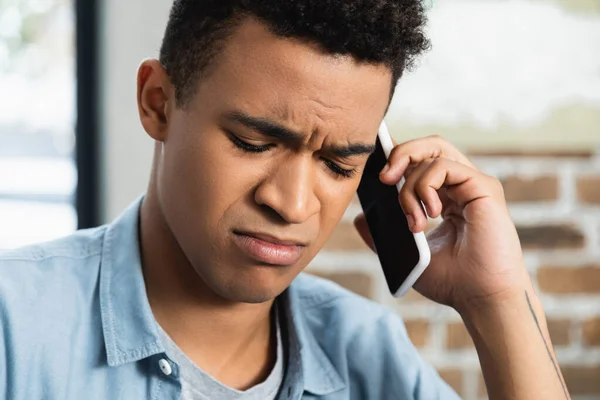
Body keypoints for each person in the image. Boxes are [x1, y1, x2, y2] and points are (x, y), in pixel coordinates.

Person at [0, 0, 571, 399]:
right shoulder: (15, 329)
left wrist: (498, 301)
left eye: (339, 163)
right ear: (158, 103)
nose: (293, 204)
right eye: (253, 142)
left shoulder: (368, 352)